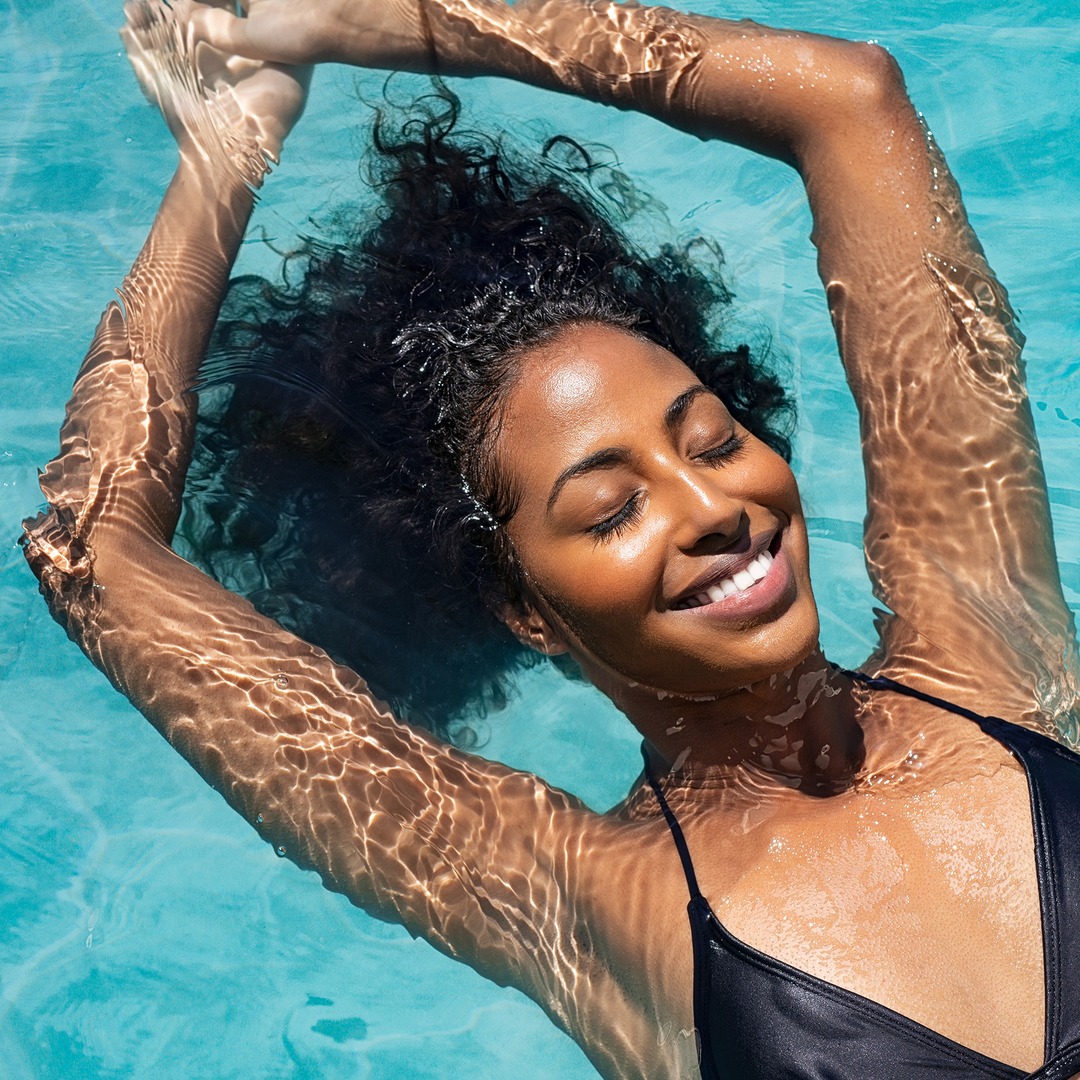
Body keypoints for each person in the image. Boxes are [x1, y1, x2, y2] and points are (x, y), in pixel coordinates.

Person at [22, 1, 1080, 1077]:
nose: (712, 508)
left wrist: (347, 21)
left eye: (713, 442)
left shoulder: (983, 654)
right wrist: (223, 148)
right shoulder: (589, 903)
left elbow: (847, 99)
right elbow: (93, 549)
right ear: (523, 607)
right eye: (611, 510)